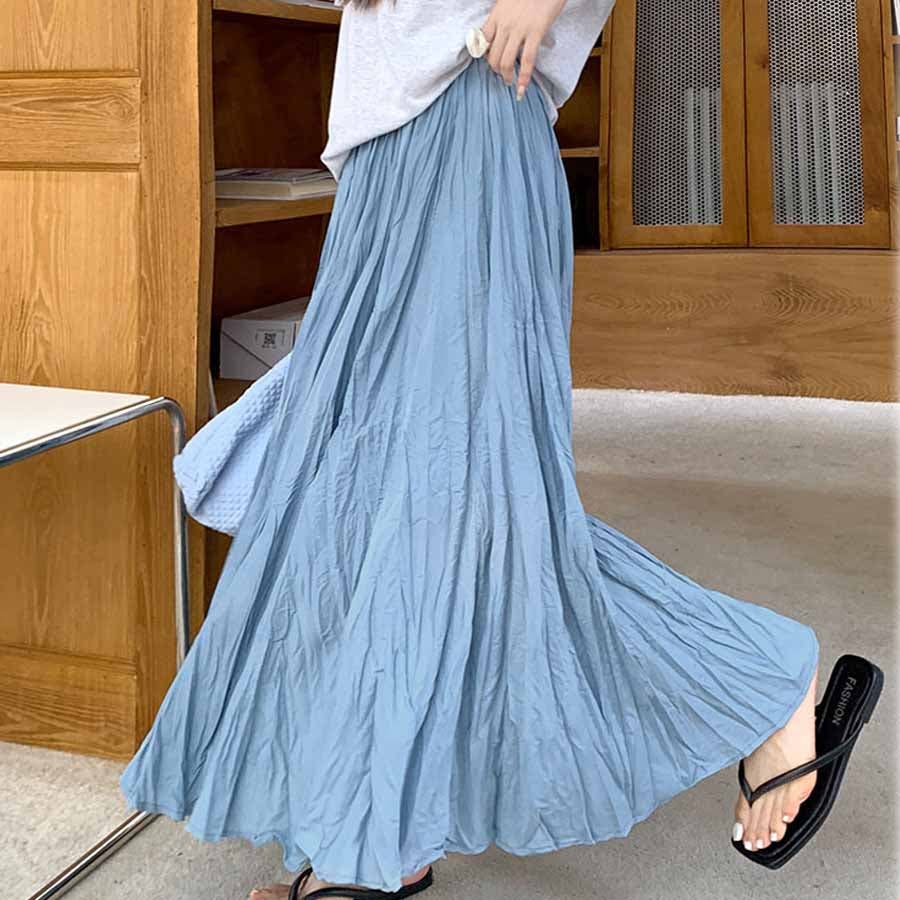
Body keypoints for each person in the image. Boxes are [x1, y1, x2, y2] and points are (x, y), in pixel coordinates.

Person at [118, 2, 882, 898]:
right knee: (373, 485)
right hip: (389, 136)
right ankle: (386, 829)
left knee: (455, 488)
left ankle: (758, 673)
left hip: (468, 107)